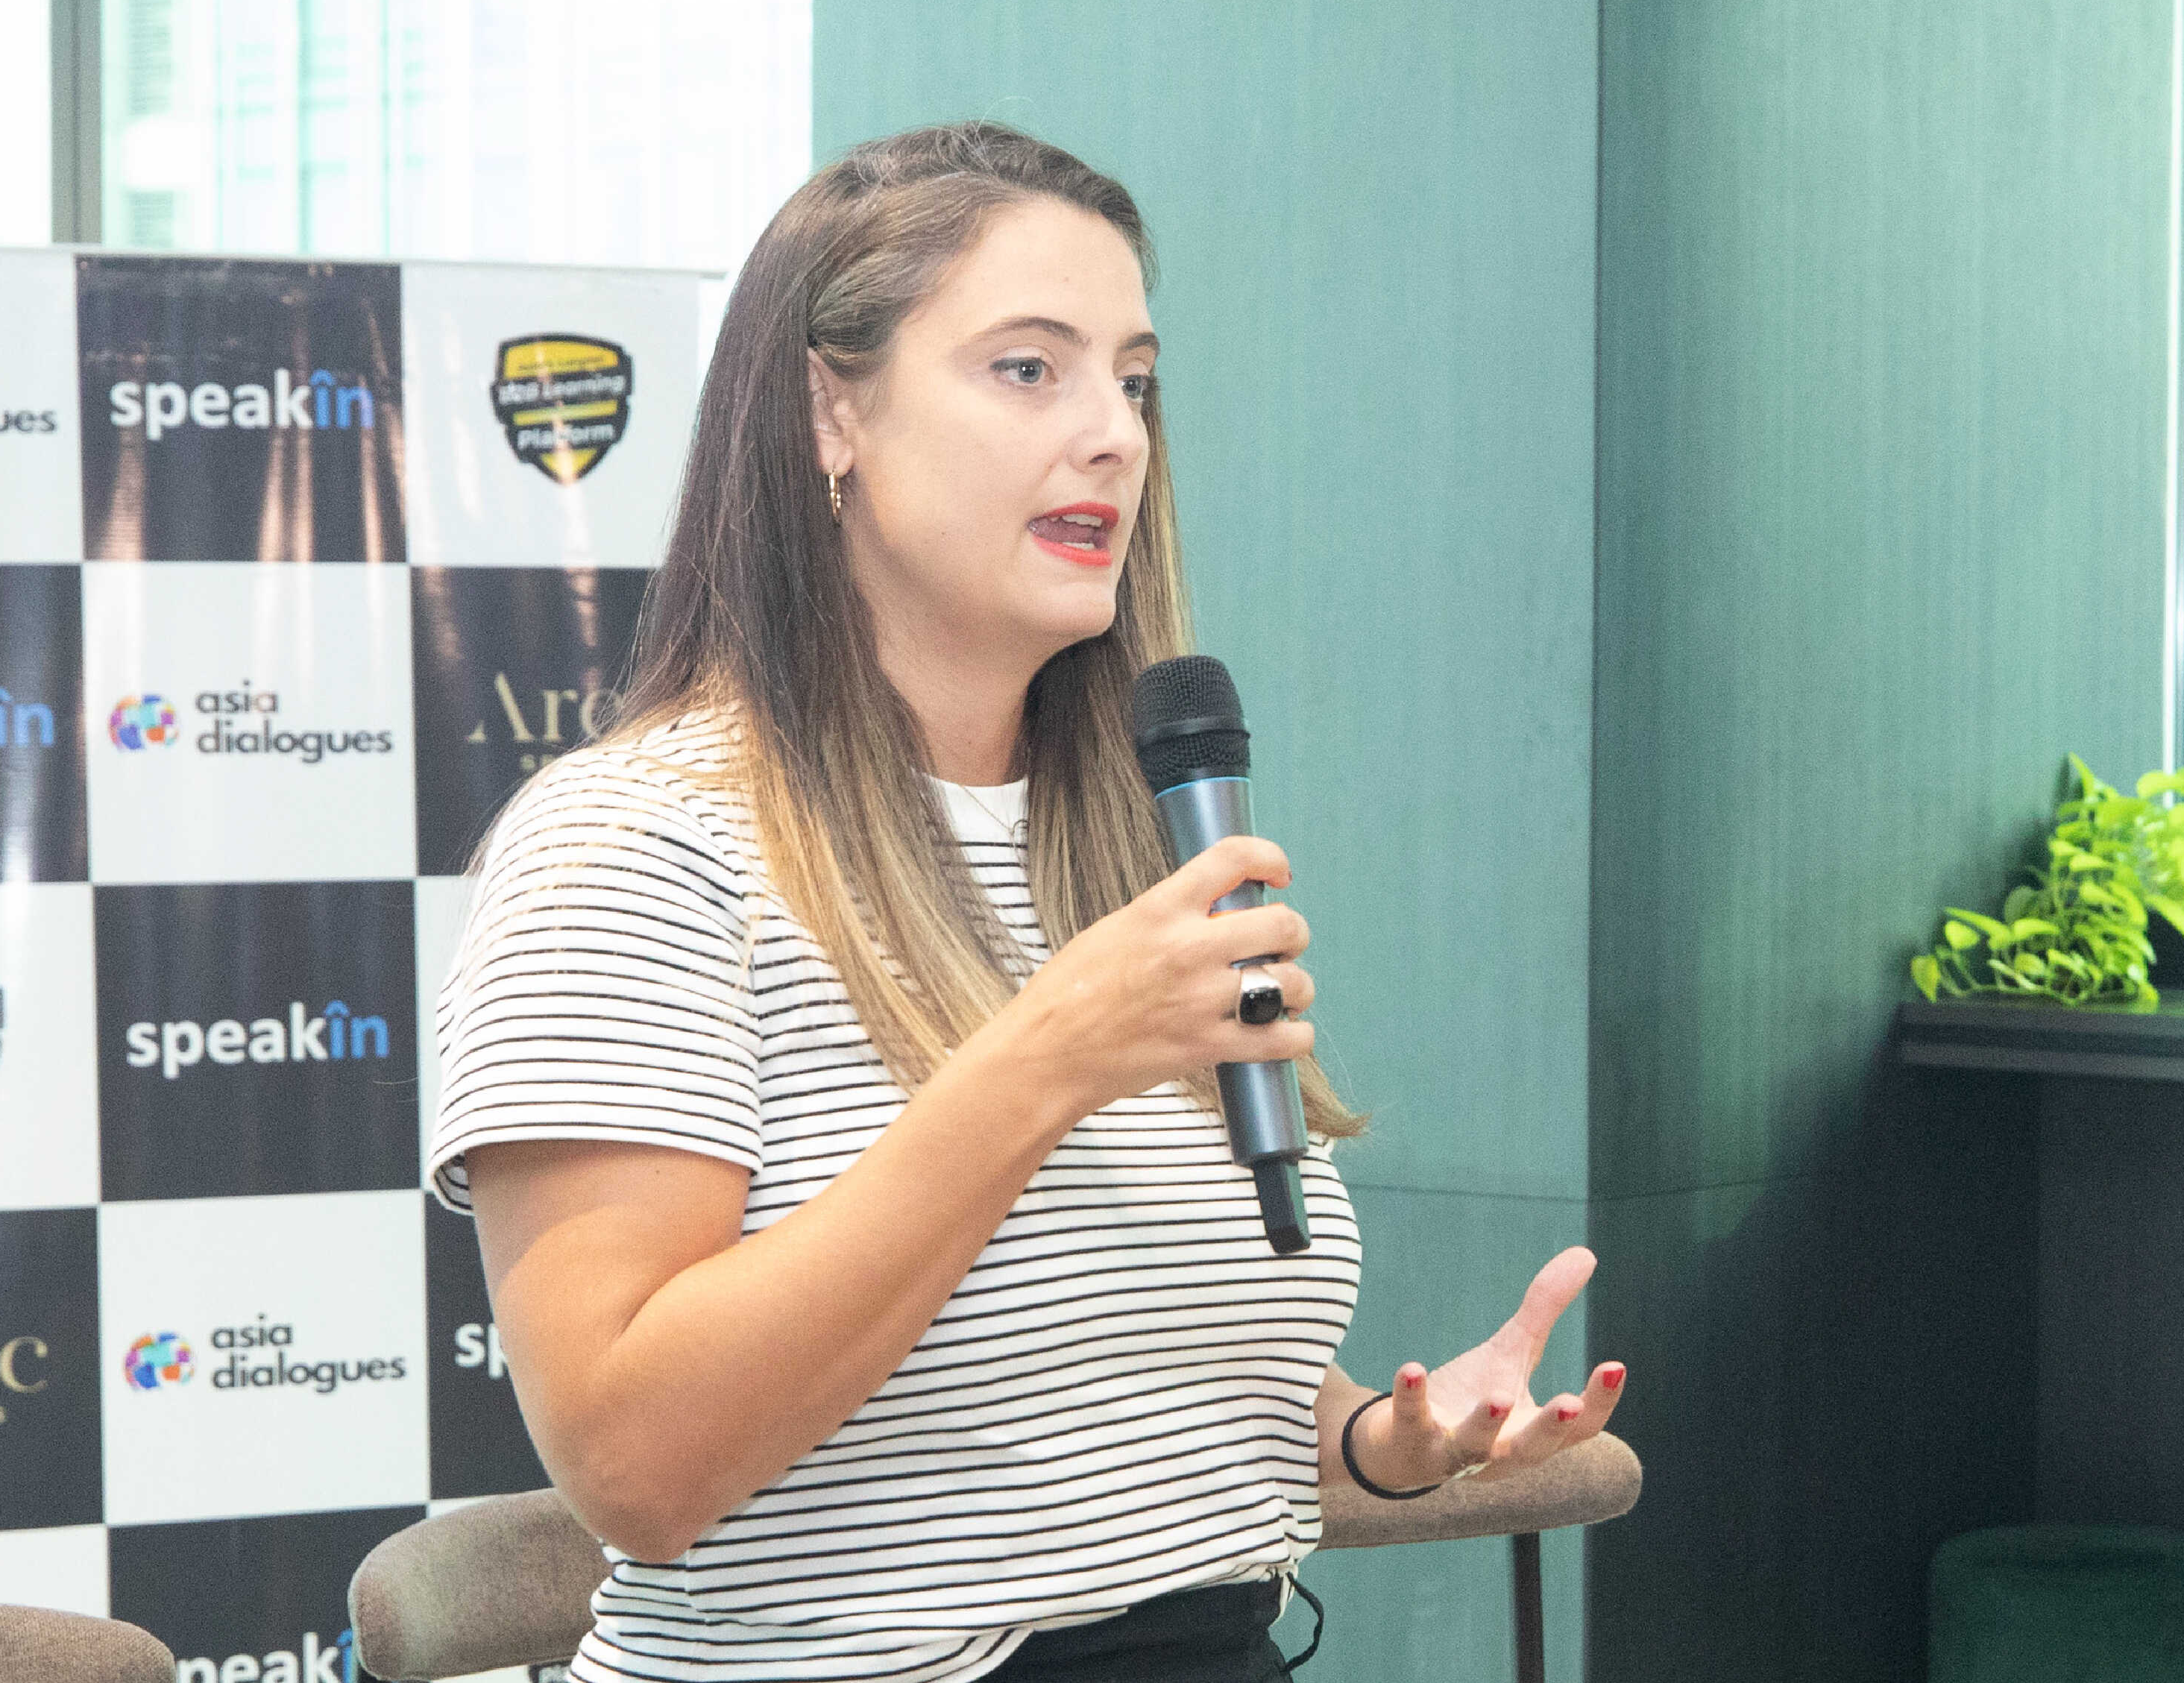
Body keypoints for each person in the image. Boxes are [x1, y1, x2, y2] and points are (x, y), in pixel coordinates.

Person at [425, 120, 1626, 1683]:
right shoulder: (633, 844)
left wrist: (1380, 1442)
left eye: (1135, 381)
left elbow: (1099, 1421)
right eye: (1027, 369)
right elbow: (637, 1468)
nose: (1114, 435)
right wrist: (1044, 1057)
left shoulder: (1126, 844)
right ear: (830, 413)